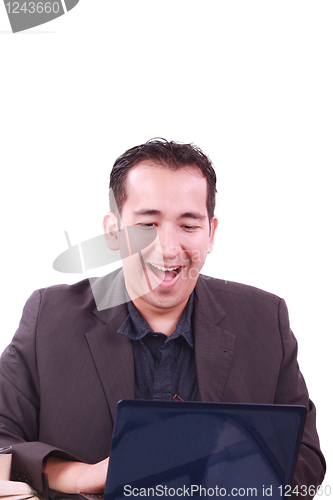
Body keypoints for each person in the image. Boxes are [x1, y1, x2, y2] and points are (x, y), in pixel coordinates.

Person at [0, 139, 325, 498]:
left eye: (188, 226)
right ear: (113, 232)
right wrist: (78, 475)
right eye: (147, 224)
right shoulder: (50, 317)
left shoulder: (266, 320)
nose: (168, 247)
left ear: (211, 233)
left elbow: (305, 458)